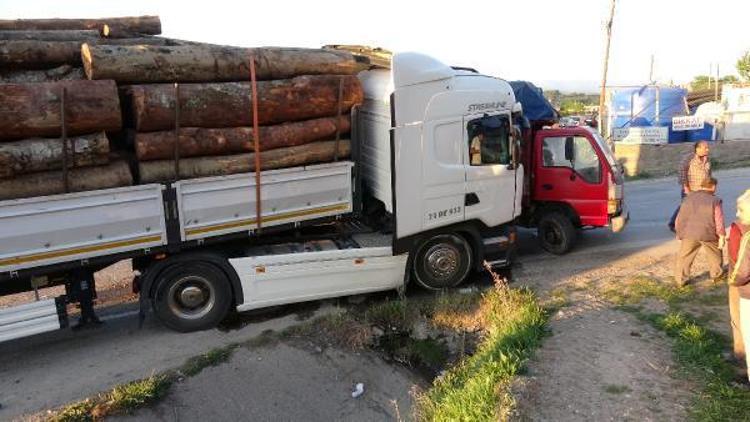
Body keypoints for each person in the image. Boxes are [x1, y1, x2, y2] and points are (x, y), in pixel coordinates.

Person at [674, 177, 725, 286]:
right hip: (708, 233)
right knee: (715, 255)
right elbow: (718, 219)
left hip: (689, 233)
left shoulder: (688, 198)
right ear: (713, 186)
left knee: (684, 257)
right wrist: (721, 236)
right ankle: (716, 276)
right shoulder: (715, 200)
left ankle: (680, 280)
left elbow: (679, 218)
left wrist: (679, 234)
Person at [728, 189, 750, 381]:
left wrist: (733, 281)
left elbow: (741, 271)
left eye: (740, 211)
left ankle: (742, 358)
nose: (737, 215)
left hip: (747, 293)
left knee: (746, 331)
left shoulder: (742, 231)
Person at [669, 141, 712, 232]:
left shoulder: (707, 159)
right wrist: (686, 187)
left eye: (708, 148)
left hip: (702, 189)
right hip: (690, 188)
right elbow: (682, 172)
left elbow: (708, 174)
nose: (708, 149)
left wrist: (709, 187)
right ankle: (673, 224)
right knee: (685, 207)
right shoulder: (689, 158)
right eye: (706, 148)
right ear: (698, 148)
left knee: (700, 208)